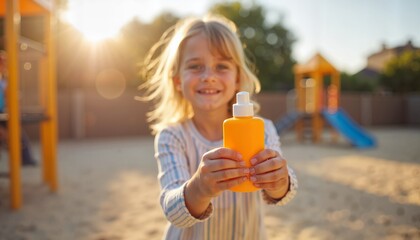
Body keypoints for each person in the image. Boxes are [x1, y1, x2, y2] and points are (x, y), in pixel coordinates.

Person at [140, 15, 298, 239]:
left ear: (237, 79)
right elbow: (172, 210)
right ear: (177, 81)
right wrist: (200, 188)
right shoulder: (172, 136)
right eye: (195, 66)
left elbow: (282, 193)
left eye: (221, 66)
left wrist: (279, 180)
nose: (208, 77)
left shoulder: (262, 128)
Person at [0, 50, 37, 166]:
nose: (6, 67)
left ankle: (25, 158)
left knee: (18, 135)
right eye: (4, 64)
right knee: (13, 135)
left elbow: (11, 98)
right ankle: (23, 156)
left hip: (2, 114)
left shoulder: (3, 81)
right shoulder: (3, 82)